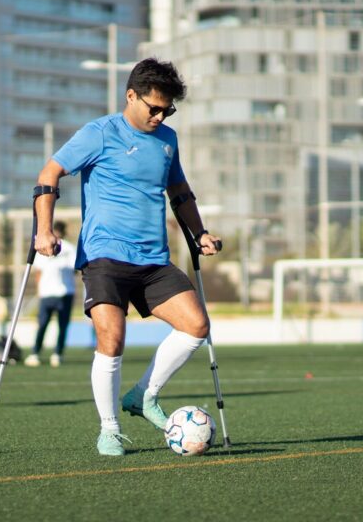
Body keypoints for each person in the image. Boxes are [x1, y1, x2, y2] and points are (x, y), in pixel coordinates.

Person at [34, 58, 221, 456]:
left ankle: (144, 396)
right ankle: (109, 428)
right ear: (131, 96)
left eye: (166, 109)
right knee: (112, 338)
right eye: (153, 107)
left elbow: (180, 192)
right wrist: (44, 230)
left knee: (196, 326)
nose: (159, 115)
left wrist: (199, 232)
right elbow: (49, 175)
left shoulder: (168, 139)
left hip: (153, 258)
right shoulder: (99, 134)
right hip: (104, 255)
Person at [24, 220, 76, 368]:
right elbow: (39, 271)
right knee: (47, 324)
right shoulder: (46, 247)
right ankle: (44, 353)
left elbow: (74, 268)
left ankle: (48, 353)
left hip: (61, 292)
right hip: (54, 292)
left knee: (56, 325)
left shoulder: (68, 248)